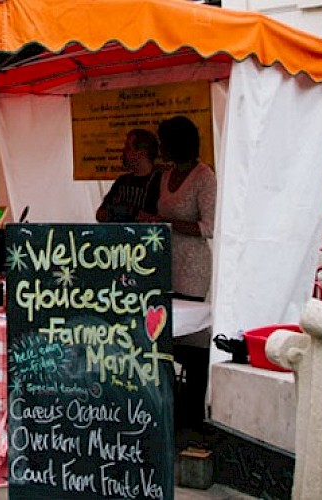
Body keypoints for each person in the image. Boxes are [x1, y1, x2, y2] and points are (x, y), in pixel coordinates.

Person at [140, 116, 217, 432]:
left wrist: (163, 224)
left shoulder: (204, 177)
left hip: (192, 266)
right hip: (163, 264)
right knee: (160, 337)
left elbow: (209, 227)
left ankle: (191, 415)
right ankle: (164, 405)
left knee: (191, 340)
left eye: (165, 142)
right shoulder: (165, 174)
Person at [96, 129, 162, 223]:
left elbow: (154, 218)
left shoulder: (159, 181)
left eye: (128, 147)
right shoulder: (122, 181)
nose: (124, 152)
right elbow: (100, 215)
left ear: (142, 153)